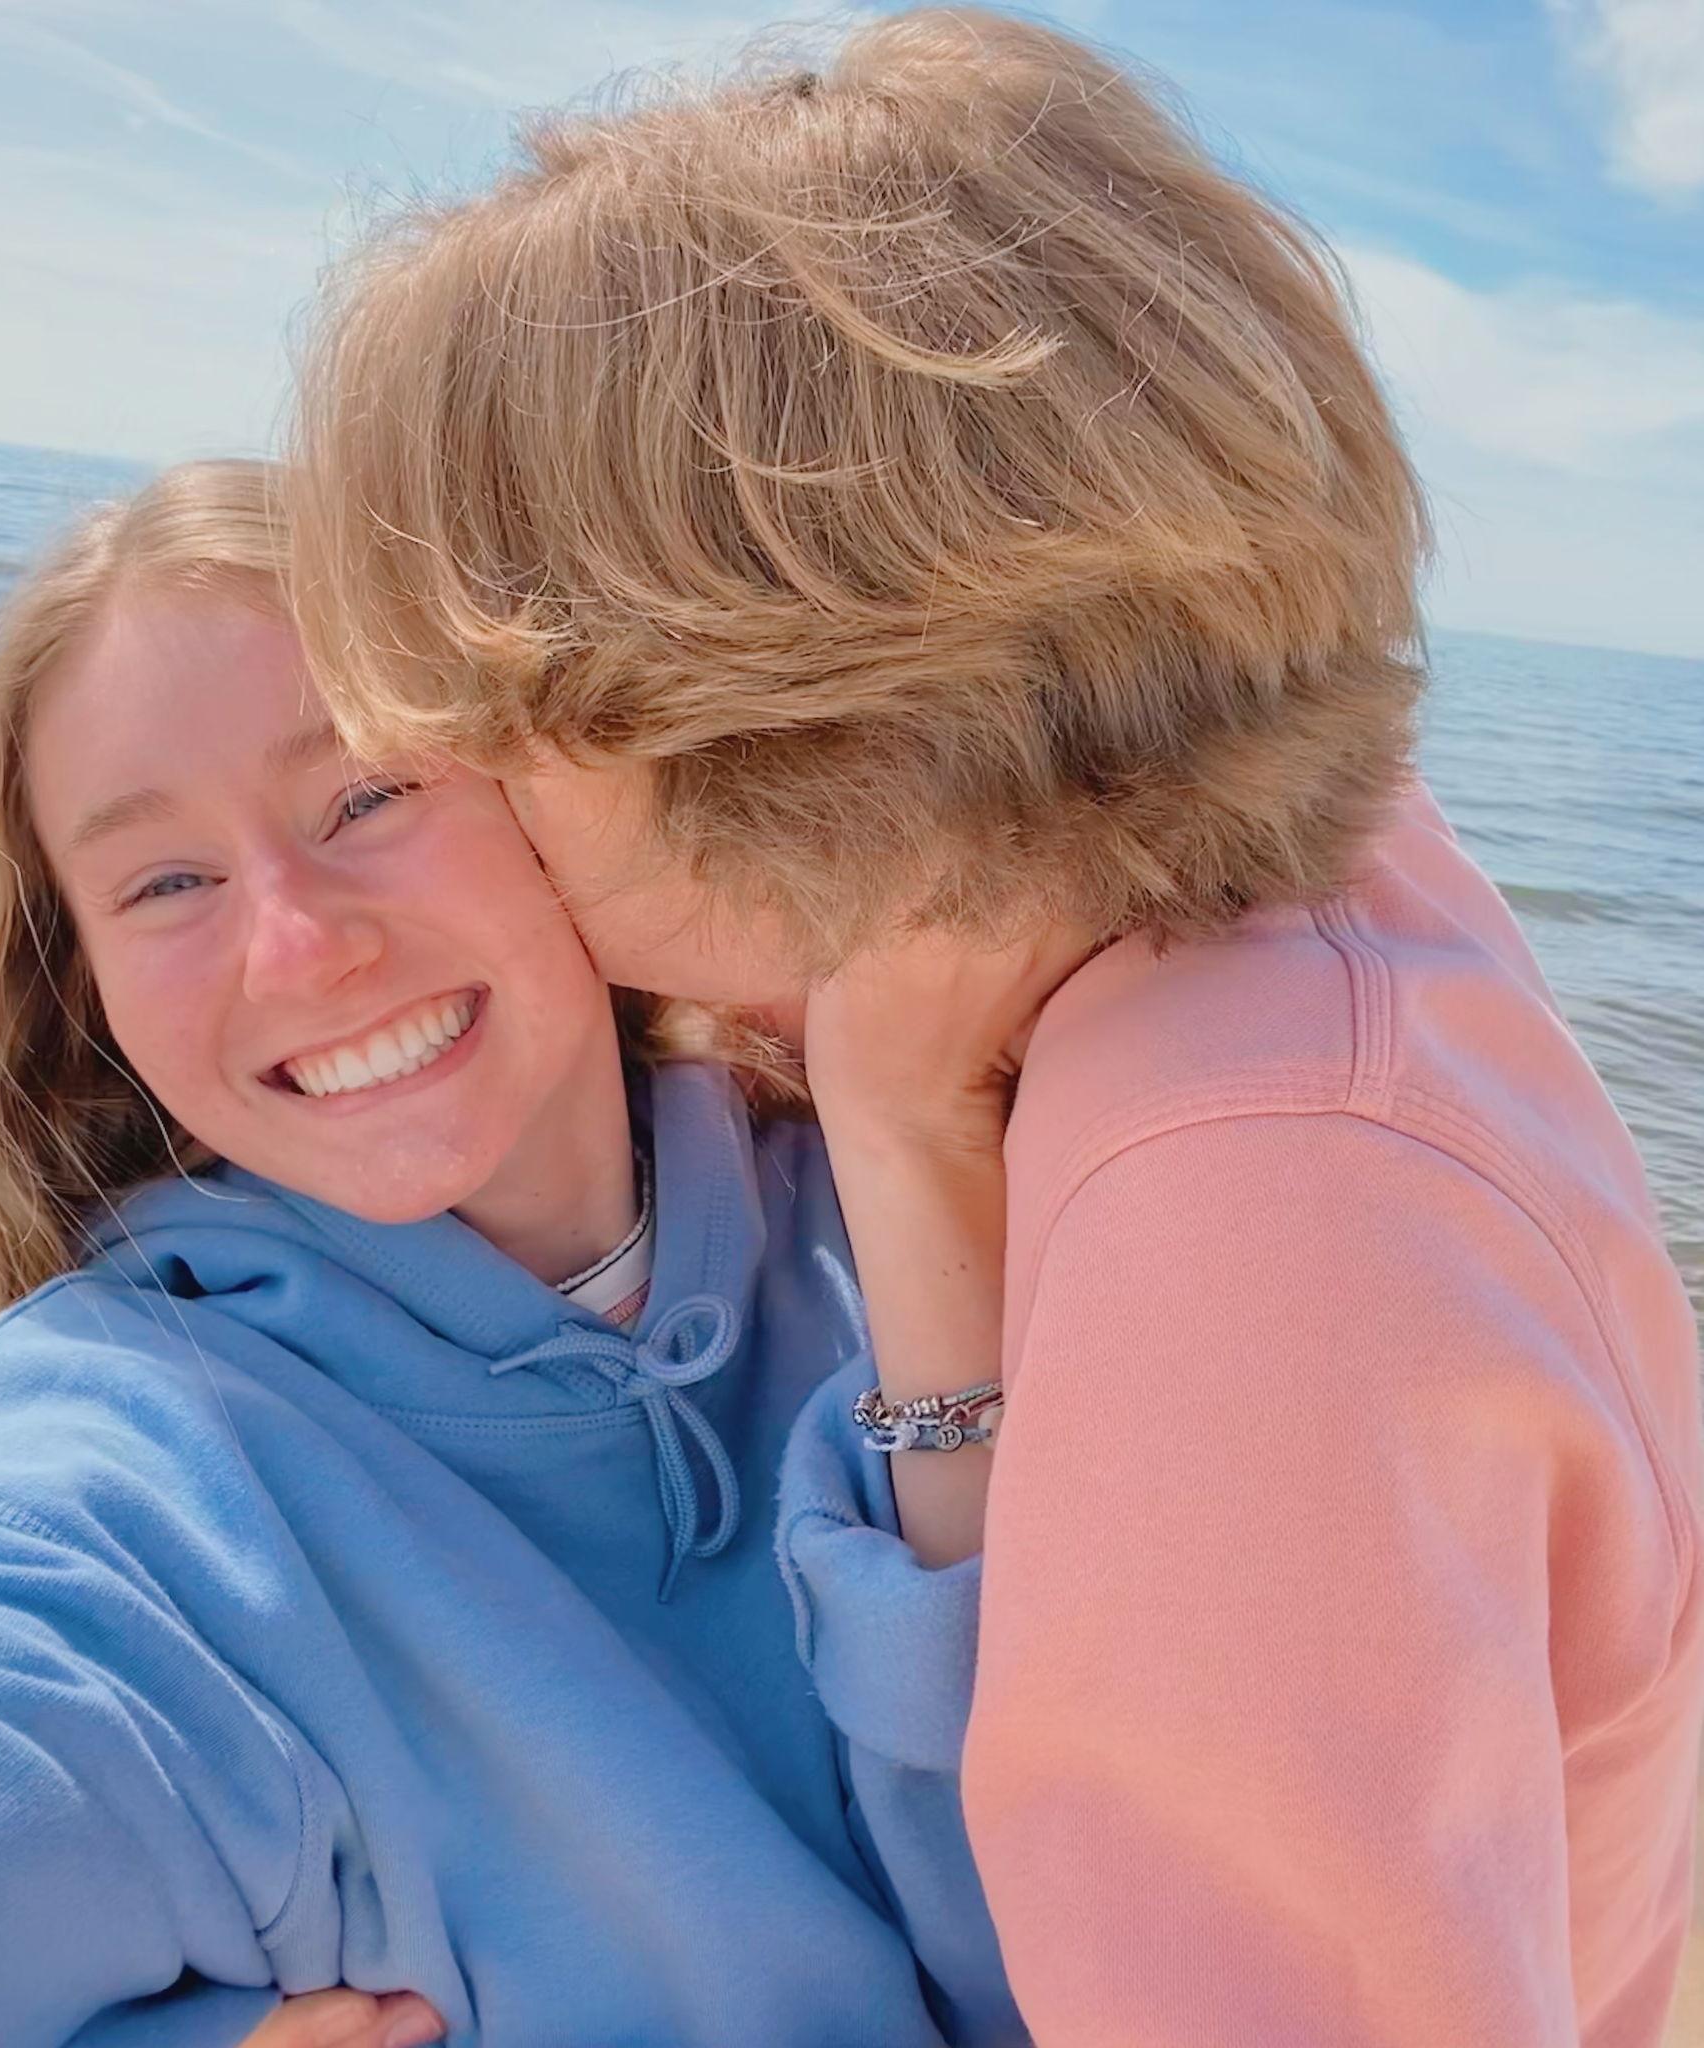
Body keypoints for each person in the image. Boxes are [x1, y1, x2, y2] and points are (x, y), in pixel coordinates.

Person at [285, 11, 1704, 2046]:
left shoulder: (1250, 1214)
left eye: (511, 715)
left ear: (774, 685)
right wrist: (892, 1108)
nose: (464, 787)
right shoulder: (1301, 899)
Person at [0, 460, 1025, 2048]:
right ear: (84, 994)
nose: (299, 942)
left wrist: (919, 1159)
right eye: (166, 883)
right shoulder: (143, 1477)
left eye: (371, 792)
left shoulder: (968, 1154)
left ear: (557, 797)